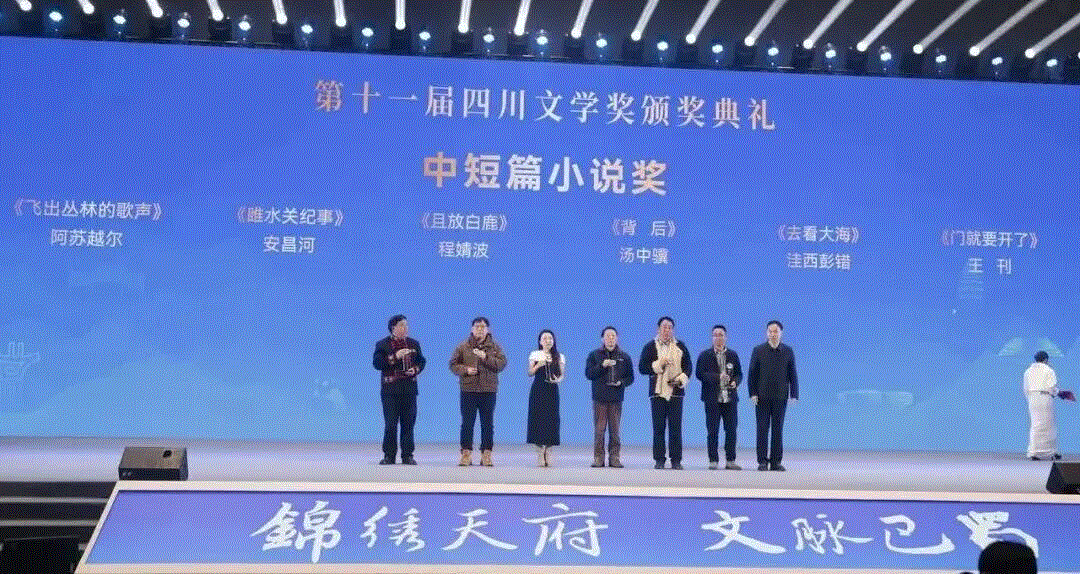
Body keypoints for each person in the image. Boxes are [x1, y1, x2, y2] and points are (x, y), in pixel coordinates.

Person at [449, 317, 507, 466]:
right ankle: (466, 453)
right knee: (467, 423)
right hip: (468, 389)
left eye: (483, 327)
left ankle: (486, 454)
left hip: (488, 390)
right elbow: (453, 365)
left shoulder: (495, 347)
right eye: (477, 326)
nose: (480, 329)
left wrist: (485, 357)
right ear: (472, 329)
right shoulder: (463, 346)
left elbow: (501, 364)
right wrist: (466, 370)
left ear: (488, 329)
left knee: (487, 423)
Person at [372, 314, 426, 465]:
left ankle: (407, 455)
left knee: (408, 424)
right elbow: (377, 363)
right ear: (393, 328)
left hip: (409, 390)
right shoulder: (383, 344)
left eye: (406, 325)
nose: (405, 328)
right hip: (390, 391)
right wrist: (395, 356)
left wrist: (416, 369)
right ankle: (389, 455)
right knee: (390, 424)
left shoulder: (413, 344)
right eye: (402, 325)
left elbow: (422, 361)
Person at [640, 317, 692, 470]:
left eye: (670, 327)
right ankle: (659, 459)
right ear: (658, 329)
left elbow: (688, 366)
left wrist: (681, 379)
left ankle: (676, 460)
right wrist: (658, 364)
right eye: (664, 327)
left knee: (675, 428)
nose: (667, 330)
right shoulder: (650, 347)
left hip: (676, 392)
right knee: (658, 428)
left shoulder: (680, 346)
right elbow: (642, 368)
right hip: (657, 393)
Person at [748, 320, 798, 471]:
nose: (773, 334)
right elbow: (752, 373)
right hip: (762, 397)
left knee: (778, 429)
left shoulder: (788, 351)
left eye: (776, 331)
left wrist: (794, 394)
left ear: (781, 333)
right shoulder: (758, 350)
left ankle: (776, 461)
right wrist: (752, 393)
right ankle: (762, 461)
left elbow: (792, 373)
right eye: (770, 331)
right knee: (762, 429)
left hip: (780, 396)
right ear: (766, 333)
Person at [585, 326, 634, 468]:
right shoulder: (595, 355)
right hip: (600, 398)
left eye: (613, 336)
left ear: (617, 338)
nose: (610, 339)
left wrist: (622, 383)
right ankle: (598, 458)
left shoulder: (624, 357)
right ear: (602, 339)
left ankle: (615, 458)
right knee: (599, 430)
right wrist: (602, 366)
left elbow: (630, 377)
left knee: (615, 430)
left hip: (616, 398)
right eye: (607, 336)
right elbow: (589, 374)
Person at [696, 325, 743, 470]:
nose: (718, 338)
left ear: (726, 337)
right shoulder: (705, 355)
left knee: (731, 430)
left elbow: (739, 374)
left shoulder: (733, 355)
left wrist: (735, 382)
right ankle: (713, 460)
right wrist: (717, 377)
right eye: (715, 335)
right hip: (712, 398)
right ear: (712, 338)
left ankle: (730, 460)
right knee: (712, 430)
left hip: (730, 398)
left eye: (721, 335)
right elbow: (699, 374)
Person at [526, 329, 565, 467]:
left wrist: (557, 380)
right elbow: (530, 372)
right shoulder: (535, 354)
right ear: (540, 341)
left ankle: (548, 451)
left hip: (552, 390)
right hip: (538, 389)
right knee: (537, 418)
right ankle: (539, 452)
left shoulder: (559, 356)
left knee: (551, 420)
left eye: (550, 338)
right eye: (545, 338)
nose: (548, 341)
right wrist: (538, 365)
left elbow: (562, 375)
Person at [1024, 350, 1063, 461]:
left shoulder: (1028, 371)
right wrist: (1059, 393)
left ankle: (1033, 452)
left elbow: (1026, 388)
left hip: (1032, 398)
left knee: (1035, 424)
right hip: (1045, 398)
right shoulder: (1049, 370)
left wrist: (1030, 399)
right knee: (1048, 425)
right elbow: (1051, 387)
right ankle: (1051, 451)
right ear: (1045, 359)